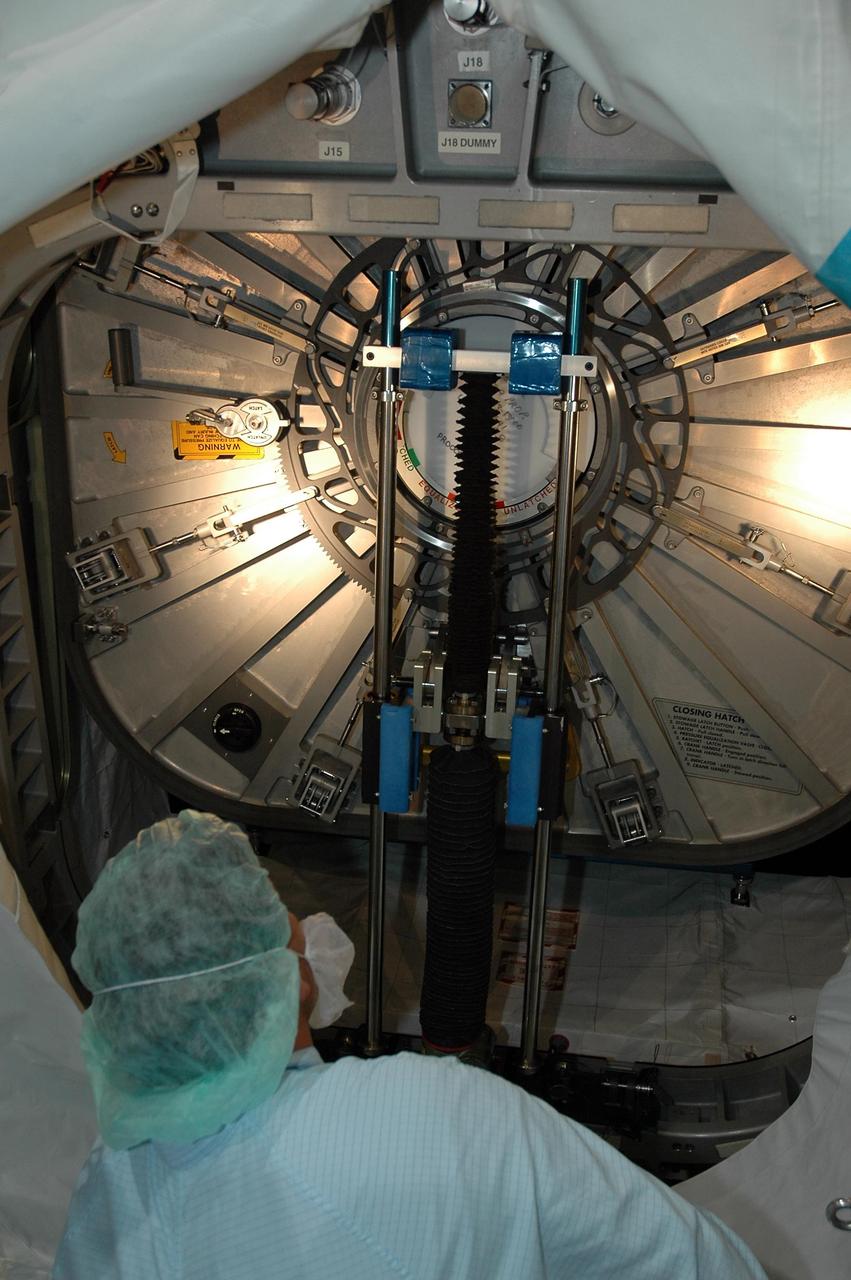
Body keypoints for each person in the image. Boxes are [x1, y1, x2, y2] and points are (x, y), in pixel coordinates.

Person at [54, 810, 766, 1279]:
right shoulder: (444, 1114)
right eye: (283, 914)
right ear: (291, 983)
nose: (304, 925)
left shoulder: (110, 1189)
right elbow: (694, 1266)